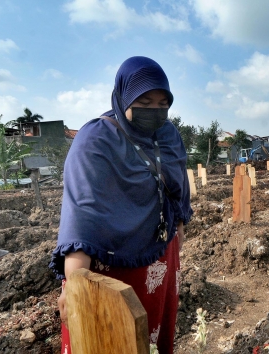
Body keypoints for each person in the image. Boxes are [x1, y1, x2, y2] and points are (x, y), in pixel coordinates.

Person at [49, 56, 193, 354]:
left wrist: (177, 236)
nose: (154, 110)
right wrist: (76, 286)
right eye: (145, 101)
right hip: (111, 271)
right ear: (124, 96)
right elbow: (83, 213)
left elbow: (177, 191)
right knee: (108, 339)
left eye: (162, 102)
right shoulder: (97, 140)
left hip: (160, 263)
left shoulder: (168, 135)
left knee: (151, 340)